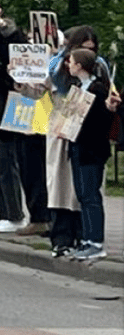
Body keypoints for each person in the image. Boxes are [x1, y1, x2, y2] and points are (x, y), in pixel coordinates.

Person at [62, 47, 116, 261]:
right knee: (82, 195)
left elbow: (101, 120)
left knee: (90, 195)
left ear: (80, 65)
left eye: (72, 62)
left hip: (91, 149)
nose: (69, 65)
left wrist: (107, 109)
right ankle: (86, 238)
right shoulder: (77, 87)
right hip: (77, 145)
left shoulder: (97, 89)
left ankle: (96, 241)